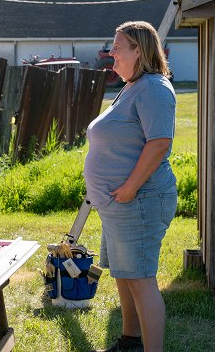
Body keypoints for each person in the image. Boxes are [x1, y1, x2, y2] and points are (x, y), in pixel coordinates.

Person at [84, 21, 177, 352]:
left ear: (140, 50)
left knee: (140, 279)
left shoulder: (153, 87)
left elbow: (159, 143)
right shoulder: (132, 86)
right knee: (125, 273)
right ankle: (130, 342)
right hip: (121, 204)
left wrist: (130, 188)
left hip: (140, 200)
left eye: (118, 47)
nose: (112, 53)